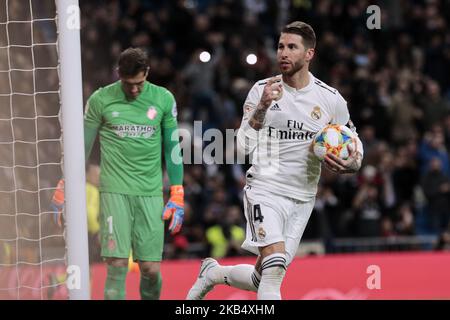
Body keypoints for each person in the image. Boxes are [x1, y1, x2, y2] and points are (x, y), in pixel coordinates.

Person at [186, 21, 363, 300]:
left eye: (292, 47)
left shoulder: (331, 99)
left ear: (309, 54)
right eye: (281, 46)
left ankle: (213, 273)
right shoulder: (261, 90)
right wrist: (263, 107)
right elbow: (242, 146)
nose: (283, 53)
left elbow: (353, 144)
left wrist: (351, 164)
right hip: (265, 188)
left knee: (262, 277)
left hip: (303, 197)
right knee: (274, 269)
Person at [51, 48, 184, 300]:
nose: (133, 89)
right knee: (117, 265)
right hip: (114, 192)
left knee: (150, 269)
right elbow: (81, 147)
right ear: (118, 75)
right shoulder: (101, 100)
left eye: (139, 83)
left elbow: (173, 147)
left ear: (147, 74)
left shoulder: (163, 98)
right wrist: (64, 184)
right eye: (128, 83)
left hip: (150, 193)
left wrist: (177, 191)